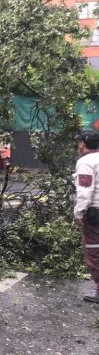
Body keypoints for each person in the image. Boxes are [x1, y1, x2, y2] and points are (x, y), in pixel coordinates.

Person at [73, 129, 99, 303]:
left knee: (94, 251)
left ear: (83, 143)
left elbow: (85, 190)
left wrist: (78, 213)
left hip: (95, 213)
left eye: (78, 142)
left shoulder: (86, 162)